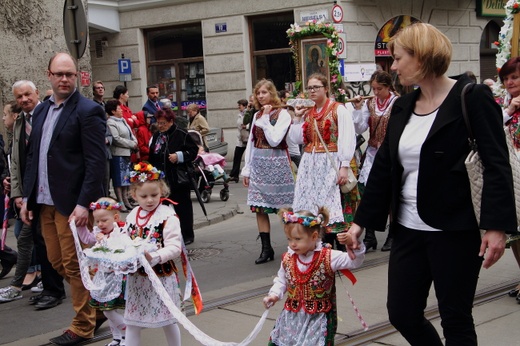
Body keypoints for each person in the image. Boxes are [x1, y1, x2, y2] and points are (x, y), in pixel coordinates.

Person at [345, 23, 517, 345]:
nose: (393, 67)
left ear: (422, 56)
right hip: (408, 229)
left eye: (398, 58)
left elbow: (496, 164)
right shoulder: (402, 106)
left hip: (455, 230)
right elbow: (384, 167)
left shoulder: (472, 97)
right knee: (402, 312)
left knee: (456, 317)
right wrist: (361, 222)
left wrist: (496, 226)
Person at [20, 52, 107, 345]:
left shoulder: (88, 110)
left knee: (75, 265)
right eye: (59, 74)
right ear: (49, 76)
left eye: (69, 74)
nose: (65, 79)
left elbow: (97, 162)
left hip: (72, 204)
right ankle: (100, 305)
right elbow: (33, 157)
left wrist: (84, 204)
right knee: (57, 264)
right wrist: (27, 200)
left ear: (76, 76)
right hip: (44, 201)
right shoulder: (42, 111)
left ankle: (83, 325)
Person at [4, 80, 66, 310]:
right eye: (19, 97)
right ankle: (49, 287)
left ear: (37, 93)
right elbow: (18, 158)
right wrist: (18, 193)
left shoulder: (47, 113)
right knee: (39, 241)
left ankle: (55, 288)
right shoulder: (20, 120)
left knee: (50, 241)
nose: (24, 100)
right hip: (31, 192)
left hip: (50, 190)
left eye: (27, 94)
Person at [263, 207, 365, 346]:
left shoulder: (328, 256)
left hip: (318, 318)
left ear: (314, 236)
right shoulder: (288, 258)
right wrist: (274, 295)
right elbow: (282, 280)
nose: (293, 244)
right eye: (289, 239)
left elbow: (354, 261)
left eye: (298, 239)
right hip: (292, 318)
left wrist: (354, 244)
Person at [289, 73, 357, 251]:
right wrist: (296, 118)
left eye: (315, 87)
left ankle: (339, 248)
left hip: (330, 161)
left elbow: (347, 138)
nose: (311, 91)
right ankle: (321, 245)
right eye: (309, 88)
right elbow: (296, 138)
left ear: (326, 88)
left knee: (331, 203)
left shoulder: (338, 109)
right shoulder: (308, 113)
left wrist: (343, 166)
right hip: (310, 164)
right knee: (314, 204)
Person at [123, 163, 183, 346]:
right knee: (132, 321)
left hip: (161, 277)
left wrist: (155, 256)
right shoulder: (133, 215)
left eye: (154, 195)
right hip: (138, 279)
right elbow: (125, 239)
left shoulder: (167, 216)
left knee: (168, 320)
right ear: (134, 196)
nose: (150, 200)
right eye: (144, 196)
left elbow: (175, 247)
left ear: (162, 192)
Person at [241, 79, 295, 264]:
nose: (261, 96)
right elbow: (251, 143)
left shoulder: (284, 115)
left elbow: (274, 140)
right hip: (259, 165)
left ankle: (292, 244)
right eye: (258, 93)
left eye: (264, 92)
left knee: (285, 208)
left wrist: (264, 120)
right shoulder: (256, 116)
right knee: (260, 209)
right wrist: (246, 169)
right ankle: (266, 248)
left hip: (278, 163)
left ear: (272, 94)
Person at [352, 71, 399, 252]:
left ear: (388, 87)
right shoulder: (370, 103)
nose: (376, 92)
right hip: (372, 153)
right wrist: (357, 109)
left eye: (379, 88)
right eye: (374, 88)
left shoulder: (397, 102)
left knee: (391, 194)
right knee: (369, 193)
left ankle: (392, 235)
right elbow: (361, 127)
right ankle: (370, 236)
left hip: (389, 154)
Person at [76, 197, 127, 346]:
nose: (100, 224)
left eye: (104, 220)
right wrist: (80, 225)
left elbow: (117, 250)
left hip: (119, 276)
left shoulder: (121, 231)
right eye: (97, 221)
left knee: (111, 310)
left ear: (115, 217)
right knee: (107, 310)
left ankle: (126, 335)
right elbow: (87, 238)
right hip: (104, 277)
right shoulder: (99, 231)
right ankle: (117, 338)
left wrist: (103, 240)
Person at [148, 109, 198, 245]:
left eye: (163, 123)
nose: (160, 126)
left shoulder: (181, 134)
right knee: (162, 209)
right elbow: (152, 154)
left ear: (171, 122)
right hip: (161, 180)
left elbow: (193, 151)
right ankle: (165, 235)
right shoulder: (157, 135)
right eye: (158, 123)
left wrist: (179, 156)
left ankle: (187, 234)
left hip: (178, 178)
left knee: (183, 208)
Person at [497, 56, 520, 303]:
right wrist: (509, 110)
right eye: (506, 78)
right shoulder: (503, 103)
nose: (509, 82)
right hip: (512, 174)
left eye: (514, 77)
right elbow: (492, 130)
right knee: (515, 233)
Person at [106, 100, 138, 212]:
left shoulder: (123, 120)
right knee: (119, 179)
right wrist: (131, 144)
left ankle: (126, 199)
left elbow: (131, 134)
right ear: (113, 111)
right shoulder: (111, 122)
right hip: (118, 154)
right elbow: (116, 139)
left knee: (126, 179)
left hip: (127, 153)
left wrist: (134, 141)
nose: (121, 110)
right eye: (119, 109)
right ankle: (120, 201)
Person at [278, 90, 301, 168]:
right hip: (285, 150)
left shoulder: (291, 110)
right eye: (288, 97)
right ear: (282, 99)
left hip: (294, 148)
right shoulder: (281, 112)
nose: (291, 99)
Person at [229, 99, 249, 182]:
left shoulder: (248, 113)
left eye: (239, 105)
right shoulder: (240, 114)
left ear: (244, 106)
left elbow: (252, 123)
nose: (238, 107)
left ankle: (248, 174)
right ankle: (234, 175)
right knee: (237, 156)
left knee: (249, 157)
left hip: (248, 138)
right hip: (241, 138)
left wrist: (247, 126)